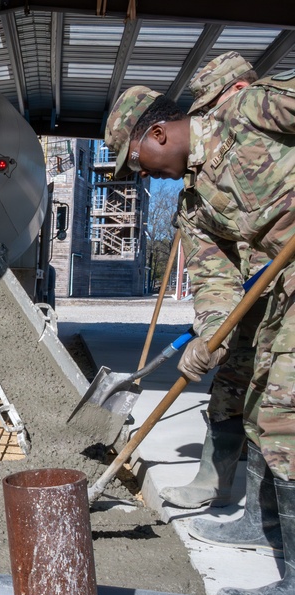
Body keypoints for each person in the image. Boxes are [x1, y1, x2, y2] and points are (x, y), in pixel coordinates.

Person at [104, 75, 295, 595]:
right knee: (254, 402)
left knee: (283, 413)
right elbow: (214, 282)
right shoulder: (193, 206)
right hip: (278, 291)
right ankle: (269, 532)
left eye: (137, 159)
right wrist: (210, 335)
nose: (141, 173)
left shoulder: (252, 112)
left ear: (159, 133)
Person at [158, 52, 267, 509]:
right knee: (231, 388)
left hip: (285, 289)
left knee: (275, 402)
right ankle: (214, 483)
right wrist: (210, 337)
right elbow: (214, 278)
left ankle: (269, 520)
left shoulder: (264, 123)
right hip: (255, 296)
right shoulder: (198, 194)